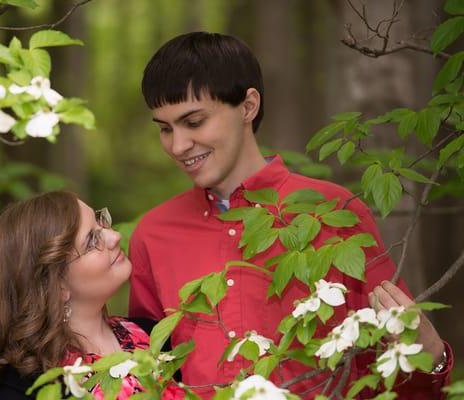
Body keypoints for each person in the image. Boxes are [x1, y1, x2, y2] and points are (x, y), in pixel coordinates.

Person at [128, 32, 453, 399]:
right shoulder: (153, 236)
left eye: (194, 121)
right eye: (165, 128)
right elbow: (147, 378)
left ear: (248, 106)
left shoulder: (333, 212)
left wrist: (434, 360)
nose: (178, 145)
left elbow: (399, 364)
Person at [0, 191, 159, 399]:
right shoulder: (20, 387)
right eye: (92, 241)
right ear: (56, 285)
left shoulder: (155, 338)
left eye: (101, 222)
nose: (115, 236)